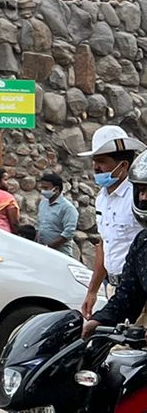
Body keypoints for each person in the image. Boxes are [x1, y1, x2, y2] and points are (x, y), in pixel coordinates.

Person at [83, 125, 145, 319]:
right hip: (115, 290)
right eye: (94, 161)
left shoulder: (138, 198)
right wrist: (92, 290)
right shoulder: (102, 199)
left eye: (102, 161)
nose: (96, 168)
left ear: (124, 165)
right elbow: (105, 244)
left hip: (139, 292)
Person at [36, 172, 80, 259]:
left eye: (46, 188)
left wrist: (49, 247)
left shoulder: (67, 208)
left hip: (60, 254)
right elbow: (40, 225)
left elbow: (68, 233)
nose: (43, 191)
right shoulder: (43, 203)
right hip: (42, 251)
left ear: (56, 189)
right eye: (42, 188)